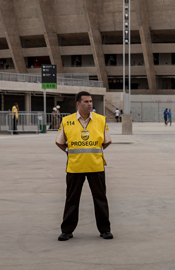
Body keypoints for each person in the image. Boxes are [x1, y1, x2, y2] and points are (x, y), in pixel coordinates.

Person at [56, 91, 112, 240]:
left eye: (91, 101)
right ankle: (67, 231)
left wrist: (92, 153)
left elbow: (107, 141)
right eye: (86, 101)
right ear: (78, 103)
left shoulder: (101, 120)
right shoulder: (67, 121)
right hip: (75, 167)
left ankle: (105, 230)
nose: (90, 104)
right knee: (72, 199)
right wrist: (71, 153)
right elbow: (59, 142)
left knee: (100, 199)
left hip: (96, 166)